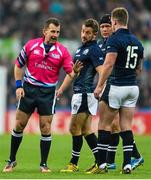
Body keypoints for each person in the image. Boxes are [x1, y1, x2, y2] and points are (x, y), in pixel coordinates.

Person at [3, 17, 82, 173]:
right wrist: (18, 86)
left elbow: (70, 73)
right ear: (45, 31)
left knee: (45, 128)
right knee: (19, 125)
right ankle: (11, 160)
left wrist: (76, 72)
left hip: (47, 93)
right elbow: (18, 66)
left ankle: (43, 164)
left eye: (58, 32)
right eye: (53, 31)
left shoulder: (63, 51)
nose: (55, 34)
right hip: (29, 89)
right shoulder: (31, 45)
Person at [93, 7, 144, 174]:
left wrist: (100, 85)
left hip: (116, 86)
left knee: (104, 125)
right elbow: (139, 69)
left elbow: (108, 64)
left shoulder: (114, 40)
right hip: (132, 87)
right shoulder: (137, 41)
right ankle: (128, 164)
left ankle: (101, 165)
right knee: (126, 126)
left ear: (114, 21)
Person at [56, 18, 104, 172]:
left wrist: (99, 87)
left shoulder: (94, 50)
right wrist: (61, 89)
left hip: (85, 93)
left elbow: (102, 71)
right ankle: (101, 163)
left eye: (88, 33)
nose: (84, 35)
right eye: (83, 31)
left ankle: (73, 163)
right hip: (80, 93)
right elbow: (72, 73)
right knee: (86, 131)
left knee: (74, 128)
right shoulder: (79, 49)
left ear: (94, 35)